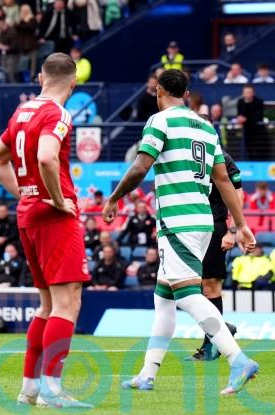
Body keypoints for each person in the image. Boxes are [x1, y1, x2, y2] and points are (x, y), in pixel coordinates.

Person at [102, 69, 258, 395]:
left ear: (159, 91)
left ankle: (238, 359)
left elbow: (141, 166)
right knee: (164, 298)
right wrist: (241, 224)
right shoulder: (205, 127)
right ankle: (147, 374)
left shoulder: (160, 121)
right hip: (202, 222)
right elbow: (223, 180)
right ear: (186, 93)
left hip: (177, 222)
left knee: (187, 295)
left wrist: (114, 197)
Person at [0, 53, 93, 408]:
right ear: (73, 83)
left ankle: (30, 389)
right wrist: (58, 200)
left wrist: (27, 194)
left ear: (40, 78)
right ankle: (52, 389)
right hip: (53, 217)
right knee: (67, 303)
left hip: (29, 215)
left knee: (47, 304)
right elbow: (47, 157)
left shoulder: (22, 111)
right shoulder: (57, 114)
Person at [186, 150, 243, 361]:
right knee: (183, 288)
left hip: (214, 228)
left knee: (210, 287)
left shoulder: (223, 158)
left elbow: (237, 194)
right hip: (188, 229)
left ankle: (210, 346)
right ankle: (222, 328)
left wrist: (233, 231)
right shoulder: (184, 152)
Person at [236, 85, 265, 161]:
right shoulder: (240, 102)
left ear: (253, 93)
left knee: (258, 153)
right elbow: (240, 115)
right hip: (246, 132)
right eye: (246, 93)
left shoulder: (259, 101)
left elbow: (259, 117)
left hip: (258, 132)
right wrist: (240, 118)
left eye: (249, 92)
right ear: (243, 93)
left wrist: (246, 119)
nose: (248, 94)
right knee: (248, 152)